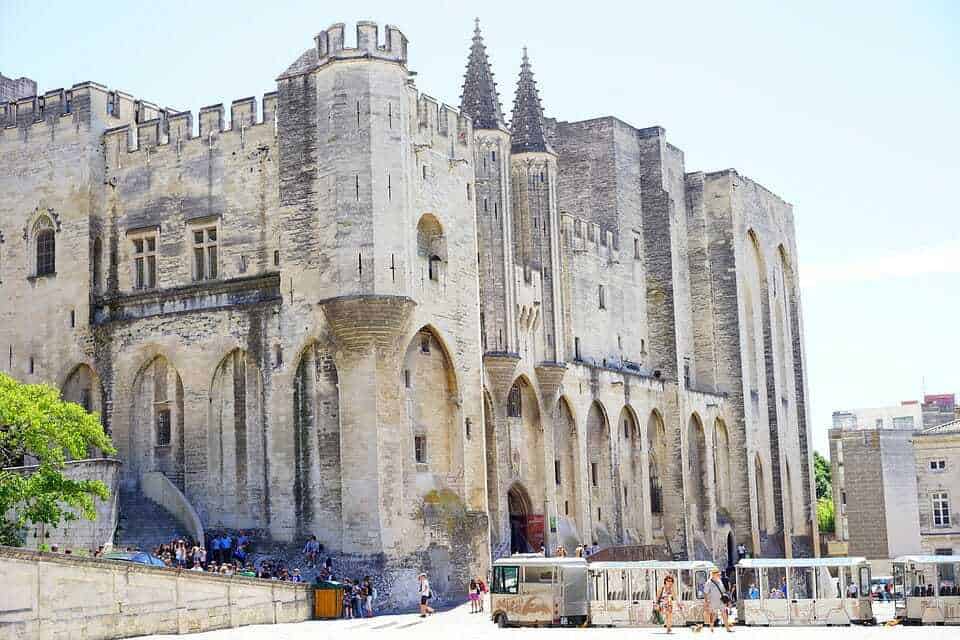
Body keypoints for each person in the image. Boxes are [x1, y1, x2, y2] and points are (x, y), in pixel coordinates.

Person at [702, 568, 734, 633]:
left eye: (719, 574)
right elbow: (705, 593)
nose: (719, 575)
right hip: (713, 601)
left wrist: (727, 600)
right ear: (713, 574)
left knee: (724, 613)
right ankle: (711, 627)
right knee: (713, 615)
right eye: (717, 574)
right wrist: (706, 601)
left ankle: (727, 628)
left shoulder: (719, 581)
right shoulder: (708, 583)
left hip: (721, 601)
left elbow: (723, 591)